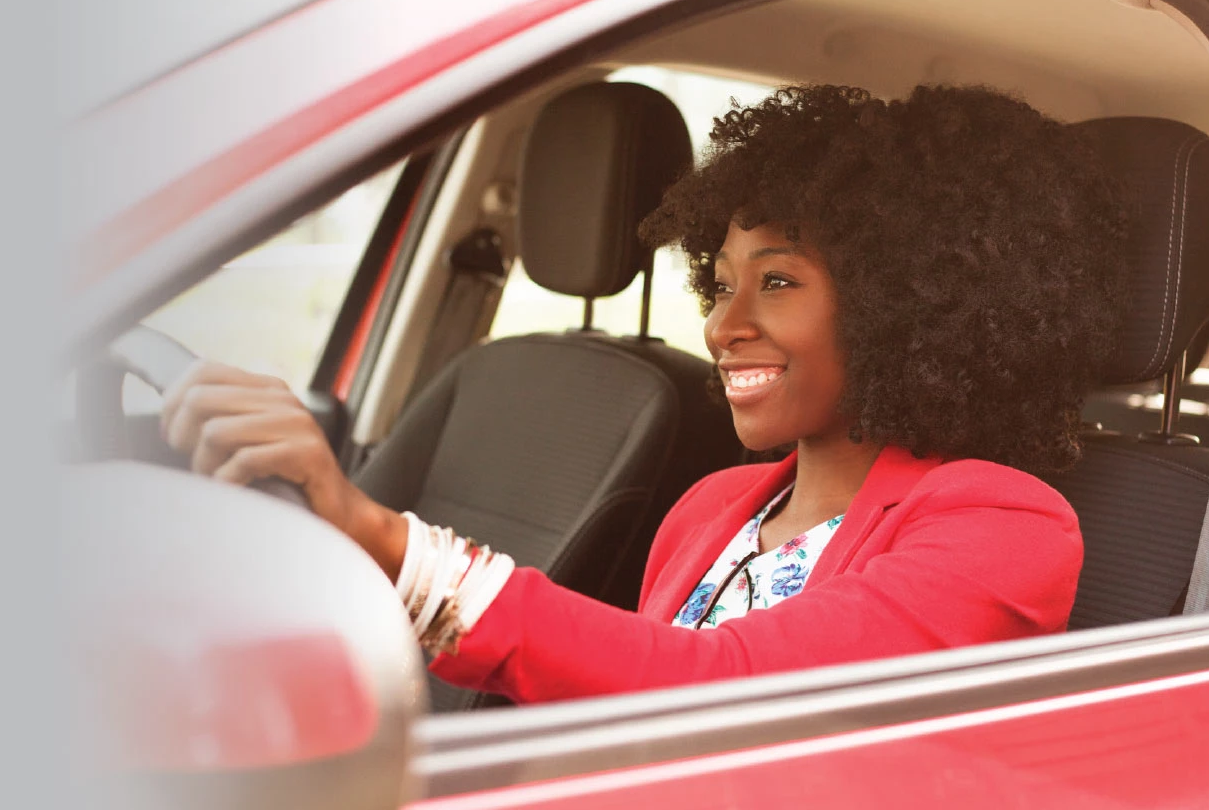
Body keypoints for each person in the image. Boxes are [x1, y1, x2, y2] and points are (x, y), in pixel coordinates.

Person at [160, 84, 1128, 704]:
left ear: (907, 305)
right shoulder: (713, 506)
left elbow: (723, 692)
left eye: (777, 282)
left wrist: (383, 538)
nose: (722, 324)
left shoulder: (1006, 527)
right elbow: (624, 725)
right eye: (721, 282)